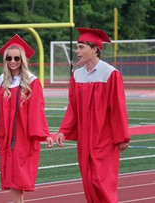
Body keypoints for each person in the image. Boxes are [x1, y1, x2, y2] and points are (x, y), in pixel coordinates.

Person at [0, 34, 53, 203]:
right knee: (13, 180)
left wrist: (45, 134)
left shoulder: (32, 82)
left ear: (22, 59)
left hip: (23, 136)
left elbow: (37, 110)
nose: (13, 61)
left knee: (18, 179)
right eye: (9, 57)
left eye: (17, 58)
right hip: (6, 137)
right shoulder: (0, 81)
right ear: (5, 59)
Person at [56, 28, 130, 203]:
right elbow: (73, 107)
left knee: (100, 180)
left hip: (104, 138)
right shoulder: (77, 75)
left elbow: (118, 107)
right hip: (85, 138)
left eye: (81, 47)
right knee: (88, 180)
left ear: (95, 49)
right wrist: (63, 130)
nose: (77, 51)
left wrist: (122, 137)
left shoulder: (110, 73)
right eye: (77, 47)